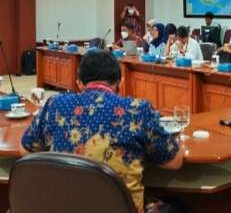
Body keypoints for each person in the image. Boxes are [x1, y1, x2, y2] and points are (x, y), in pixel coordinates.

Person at [21, 50, 183, 212]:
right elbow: (174, 161)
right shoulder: (138, 110)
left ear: (79, 83)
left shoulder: (55, 104)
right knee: (176, 205)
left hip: (65, 207)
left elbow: (25, 149)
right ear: (121, 83)